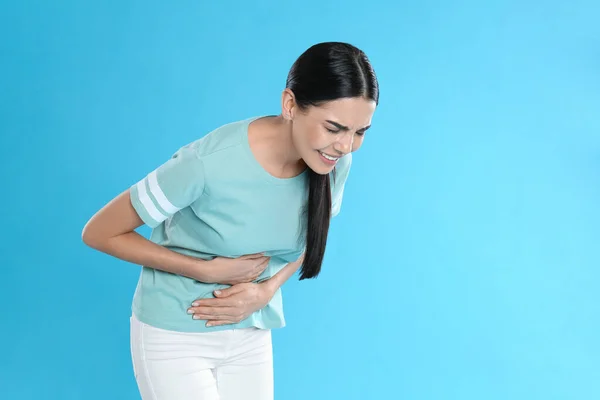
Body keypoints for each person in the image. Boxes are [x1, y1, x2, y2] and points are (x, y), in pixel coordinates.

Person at [82, 41, 379, 400]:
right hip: (175, 333)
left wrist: (266, 290)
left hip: (251, 332)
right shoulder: (208, 163)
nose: (346, 145)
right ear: (290, 105)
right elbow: (100, 232)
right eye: (334, 128)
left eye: (360, 132)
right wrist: (204, 270)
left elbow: (313, 234)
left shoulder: (332, 163)